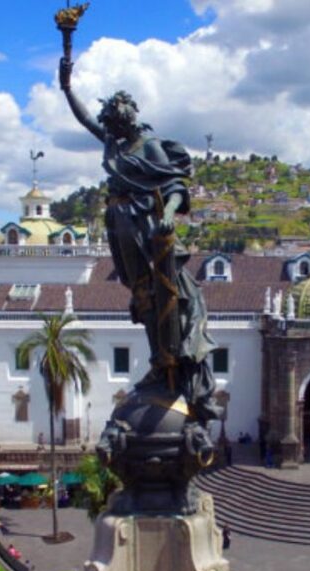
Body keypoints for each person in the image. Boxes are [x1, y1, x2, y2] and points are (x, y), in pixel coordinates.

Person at [58, 58, 220, 421]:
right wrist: (68, 87)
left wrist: (167, 213)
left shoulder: (149, 146)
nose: (126, 116)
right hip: (120, 224)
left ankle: (173, 361)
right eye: (119, 113)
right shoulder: (114, 144)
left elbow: (175, 187)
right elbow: (84, 120)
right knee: (143, 295)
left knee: (166, 291)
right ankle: (158, 362)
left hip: (147, 224)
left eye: (126, 110)